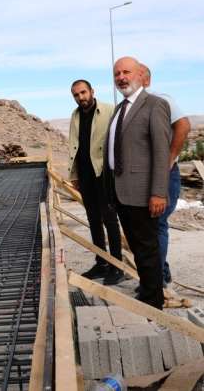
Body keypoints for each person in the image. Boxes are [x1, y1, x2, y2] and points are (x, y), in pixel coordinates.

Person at [104, 56, 171, 309]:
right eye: (117, 74)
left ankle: (154, 303)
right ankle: (146, 291)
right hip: (121, 191)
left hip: (143, 193)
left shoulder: (154, 104)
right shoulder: (120, 108)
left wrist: (158, 193)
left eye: (126, 72)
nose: (121, 77)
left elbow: (161, 152)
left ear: (140, 74)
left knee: (148, 249)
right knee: (137, 247)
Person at [68, 79, 123, 285]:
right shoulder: (75, 115)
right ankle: (101, 263)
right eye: (76, 95)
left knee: (109, 218)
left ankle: (117, 266)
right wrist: (74, 175)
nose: (81, 98)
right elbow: (74, 146)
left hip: (104, 174)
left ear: (92, 91)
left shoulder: (109, 110)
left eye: (83, 92)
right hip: (85, 175)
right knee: (93, 220)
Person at [140, 64, 191, 287]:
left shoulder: (161, 100)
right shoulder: (131, 107)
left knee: (158, 223)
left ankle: (156, 280)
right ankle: (161, 270)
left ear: (147, 80)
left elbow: (183, 125)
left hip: (164, 173)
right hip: (142, 176)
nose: (125, 78)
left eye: (135, 74)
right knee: (147, 226)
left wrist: (169, 158)